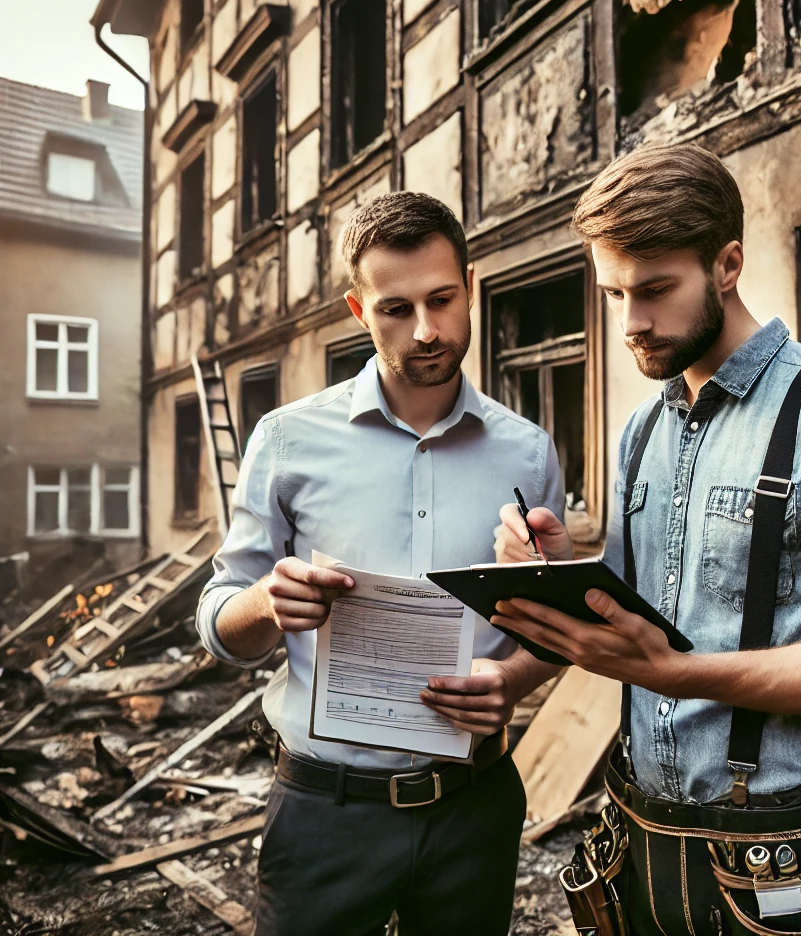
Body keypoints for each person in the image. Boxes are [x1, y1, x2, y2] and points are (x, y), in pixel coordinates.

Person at [492, 144, 801, 935]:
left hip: (778, 857)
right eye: (615, 293)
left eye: (656, 289)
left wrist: (680, 673)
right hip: (635, 839)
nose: (632, 321)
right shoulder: (642, 430)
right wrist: (561, 571)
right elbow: (637, 613)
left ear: (728, 263)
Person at [196, 191, 563, 936]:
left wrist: (515, 678)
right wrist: (268, 602)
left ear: (471, 287)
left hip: (475, 809)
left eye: (442, 299)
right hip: (325, 816)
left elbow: (549, 629)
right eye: (396, 309)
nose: (427, 330)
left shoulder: (528, 450)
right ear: (359, 312)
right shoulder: (287, 439)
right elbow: (218, 624)